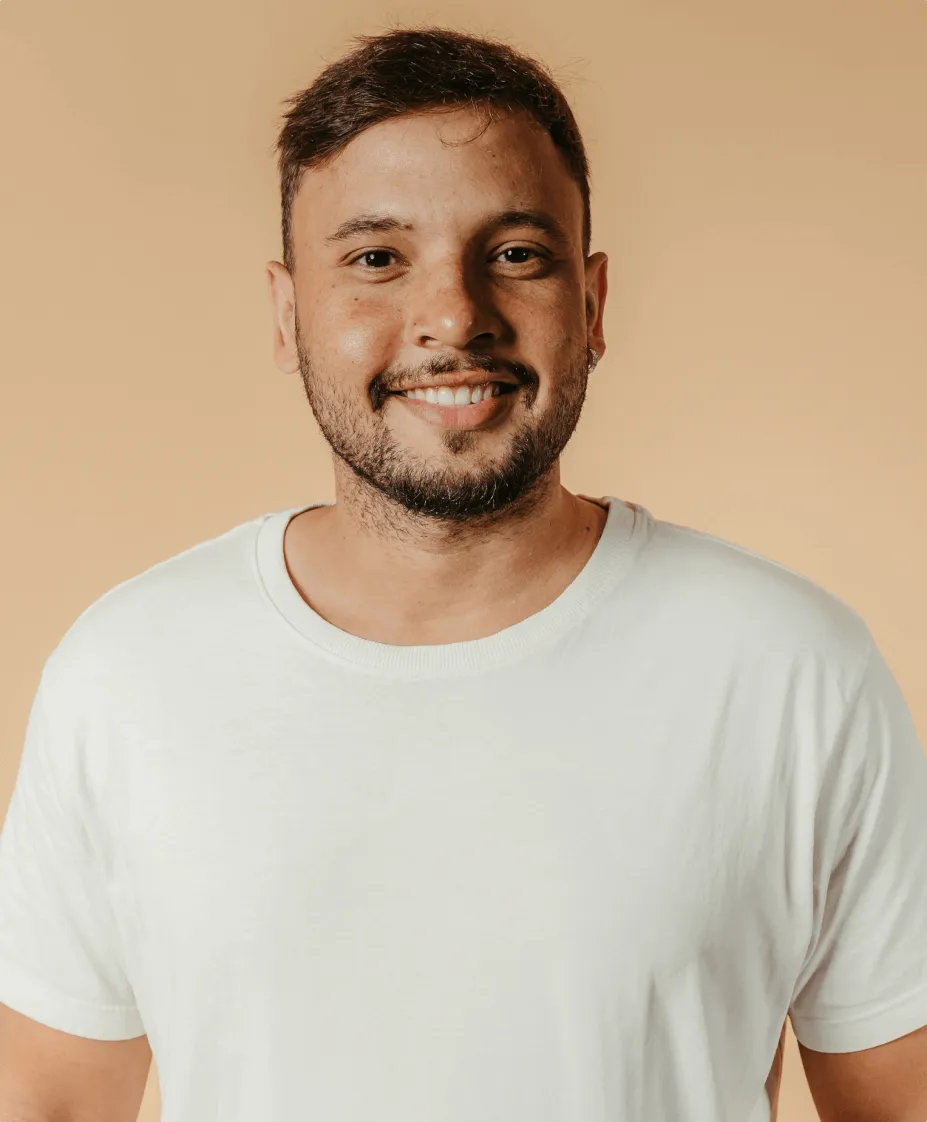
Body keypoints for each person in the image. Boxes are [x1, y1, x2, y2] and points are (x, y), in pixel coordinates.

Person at [1, 26, 925, 1122]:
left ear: (593, 305)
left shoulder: (791, 669)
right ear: (288, 315)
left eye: (517, 254)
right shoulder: (128, 674)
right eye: (376, 259)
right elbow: (49, 1101)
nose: (452, 316)